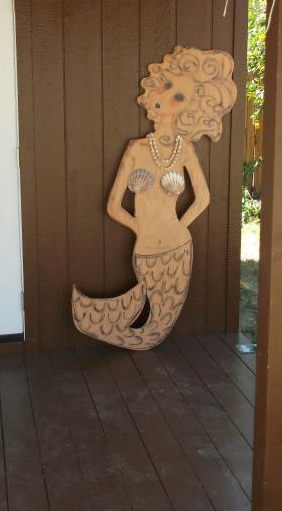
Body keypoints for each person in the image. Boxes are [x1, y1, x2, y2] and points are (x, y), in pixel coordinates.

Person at [72, 45, 237, 350]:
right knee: (147, 310)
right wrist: (140, 228)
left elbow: (203, 198)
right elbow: (113, 206)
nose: (168, 97)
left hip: (178, 247)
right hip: (146, 246)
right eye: (168, 86)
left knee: (158, 322)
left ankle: (93, 315)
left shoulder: (185, 150)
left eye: (179, 97)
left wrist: (179, 226)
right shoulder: (136, 149)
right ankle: (91, 315)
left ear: (189, 109)